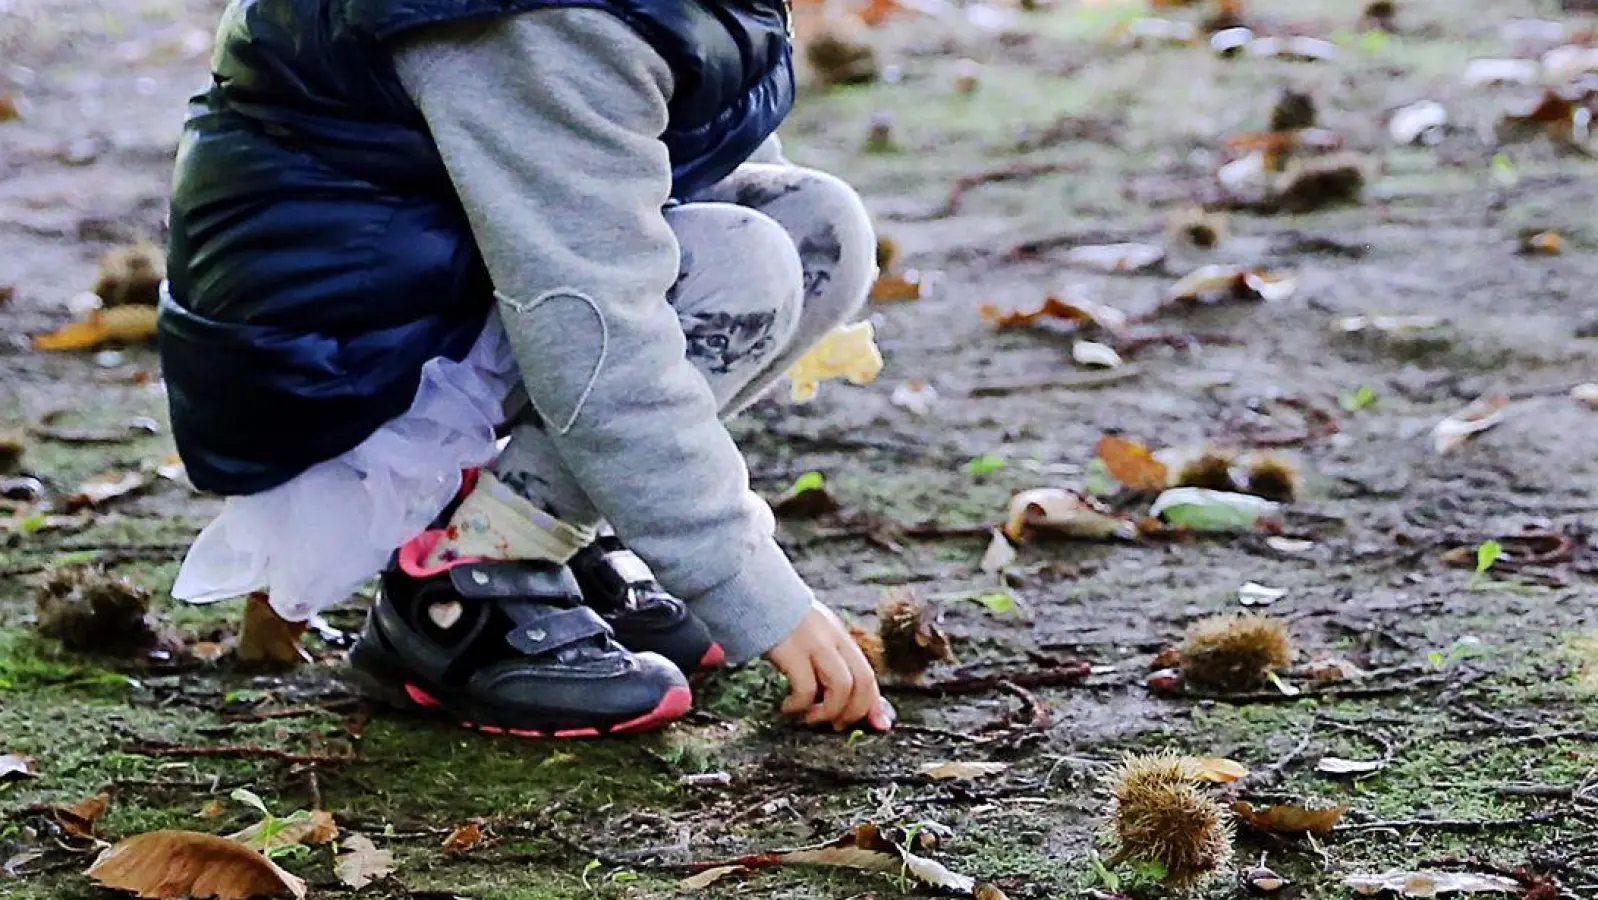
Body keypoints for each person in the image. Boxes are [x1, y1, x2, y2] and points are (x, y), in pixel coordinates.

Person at [158, 0, 894, 737]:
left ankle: (542, 528)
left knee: (818, 231)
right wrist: (745, 584)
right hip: (338, 362)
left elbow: (698, 154)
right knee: (744, 268)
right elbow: (591, 318)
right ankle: (461, 584)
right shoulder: (542, 20)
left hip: (450, 284)